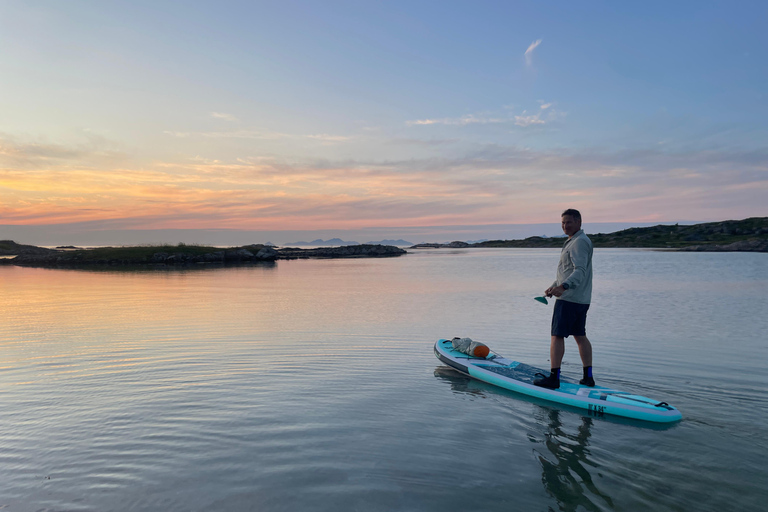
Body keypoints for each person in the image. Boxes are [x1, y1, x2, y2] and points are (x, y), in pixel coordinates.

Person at [533, 209, 595, 390]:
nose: (565, 226)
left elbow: (580, 270)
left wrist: (564, 287)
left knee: (557, 336)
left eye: (569, 222)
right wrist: (555, 286)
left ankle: (554, 378)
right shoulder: (575, 241)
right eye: (563, 223)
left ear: (579, 222)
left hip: (569, 299)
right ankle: (588, 378)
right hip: (580, 298)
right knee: (580, 336)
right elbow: (567, 271)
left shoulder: (579, 242)